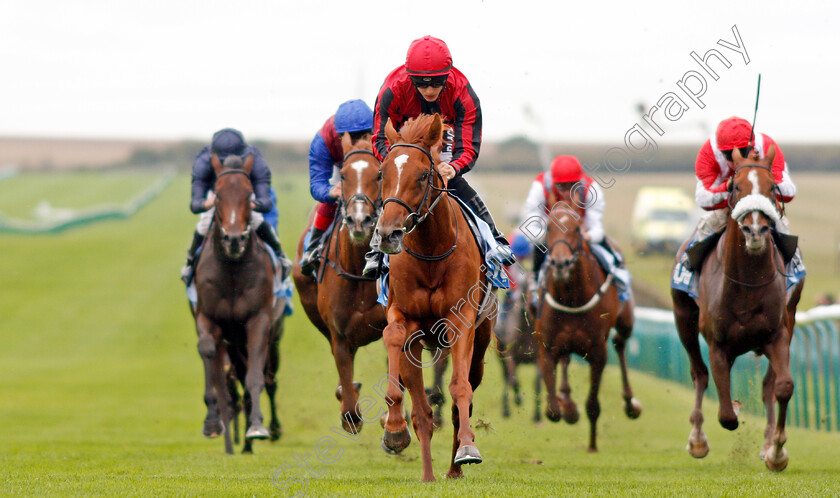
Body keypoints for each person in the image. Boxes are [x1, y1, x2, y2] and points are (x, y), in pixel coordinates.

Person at [364, 35, 514, 277]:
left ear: (448, 75)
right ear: (410, 78)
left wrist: (453, 167)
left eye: (436, 84)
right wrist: (396, 165)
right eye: (422, 85)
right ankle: (376, 250)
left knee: (453, 182)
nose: (430, 90)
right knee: (400, 186)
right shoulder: (392, 89)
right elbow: (379, 137)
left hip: (445, 136)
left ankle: (493, 239)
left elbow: (468, 146)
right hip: (405, 141)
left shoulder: (462, 91)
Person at [681, 116, 799, 270]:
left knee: (782, 225)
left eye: (743, 152)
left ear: (752, 146)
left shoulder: (766, 146)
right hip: (727, 206)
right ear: (720, 151)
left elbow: (789, 192)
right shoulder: (708, 153)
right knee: (707, 226)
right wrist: (729, 187)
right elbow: (703, 198)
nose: (734, 160)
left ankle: (794, 267)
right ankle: (687, 271)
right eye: (728, 155)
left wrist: (761, 182)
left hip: (764, 204)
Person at [179, 128, 291, 285]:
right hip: (217, 195)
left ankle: (281, 257)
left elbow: (265, 202)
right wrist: (208, 203)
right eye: (223, 161)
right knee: (204, 223)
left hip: (243, 194)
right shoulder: (203, 161)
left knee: (257, 219)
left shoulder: (255, 160)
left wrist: (252, 204)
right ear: (215, 156)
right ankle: (189, 263)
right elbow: (195, 204)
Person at [520, 155, 630, 298]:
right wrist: (550, 236)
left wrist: (587, 236)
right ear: (553, 183)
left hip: (579, 232)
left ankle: (619, 278)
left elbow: (597, 229)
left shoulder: (591, 189)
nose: (566, 192)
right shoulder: (540, 187)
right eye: (561, 186)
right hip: (549, 233)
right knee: (539, 251)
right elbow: (529, 227)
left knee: (608, 253)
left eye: (572, 186)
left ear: (579, 182)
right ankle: (534, 285)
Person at [299, 99, 374, 277]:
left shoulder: (380, 131)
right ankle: (313, 246)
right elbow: (317, 183)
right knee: (333, 198)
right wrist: (329, 192)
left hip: (372, 165)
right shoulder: (323, 139)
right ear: (339, 135)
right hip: (340, 168)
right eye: (350, 137)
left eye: (363, 135)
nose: (356, 143)